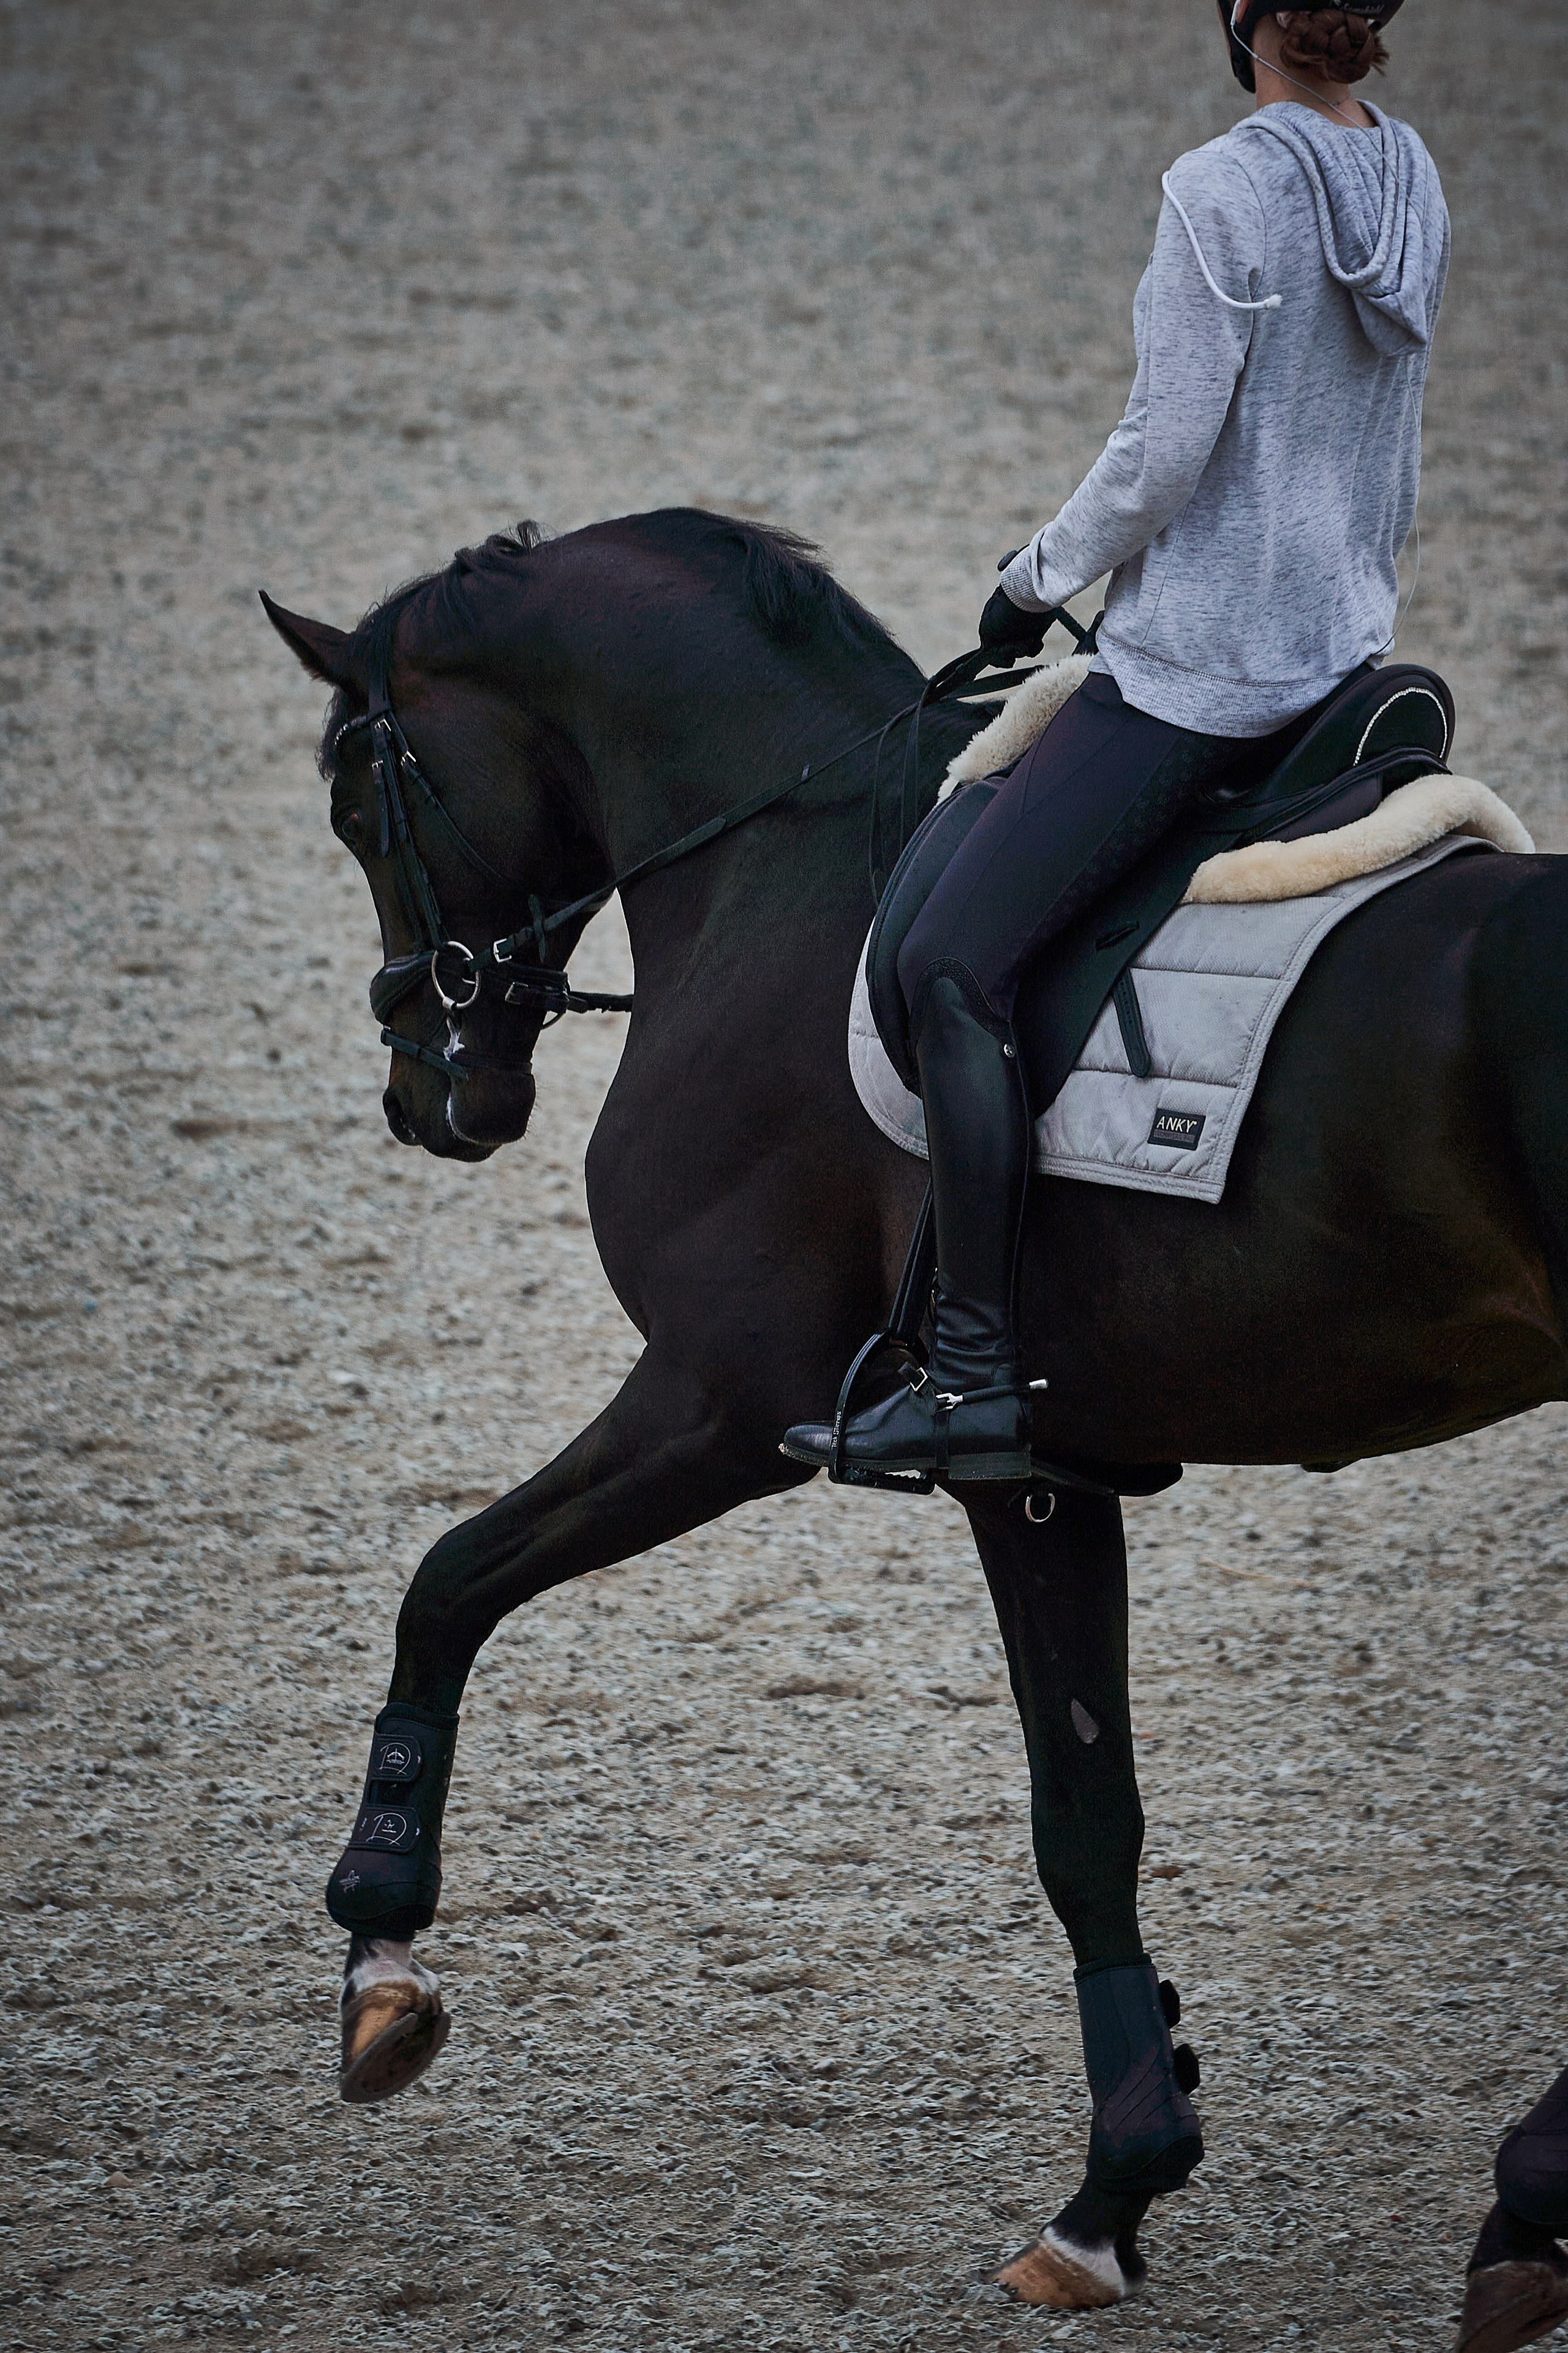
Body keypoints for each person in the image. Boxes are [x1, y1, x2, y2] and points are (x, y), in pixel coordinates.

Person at [783, 2, 1448, 1484]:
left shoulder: (1216, 190)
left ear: (1244, 20)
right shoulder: (1411, 185)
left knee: (952, 964)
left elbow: (1161, 449)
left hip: (1200, 675)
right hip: (1342, 659)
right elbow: (1385, 443)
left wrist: (1031, 578)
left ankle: (967, 1379)